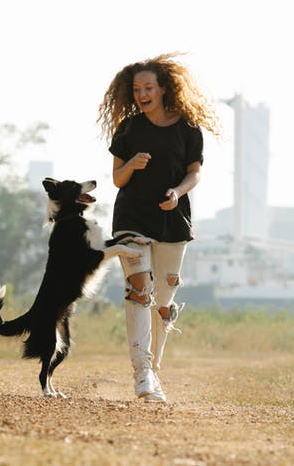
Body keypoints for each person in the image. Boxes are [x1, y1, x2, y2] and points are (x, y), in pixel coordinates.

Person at [97, 53, 220, 402]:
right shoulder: (129, 129)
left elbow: (194, 172)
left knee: (162, 303)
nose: (141, 94)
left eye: (148, 87)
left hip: (172, 221)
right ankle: (142, 375)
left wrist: (177, 193)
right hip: (132, 220)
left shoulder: (188, 128)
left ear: (164, 88)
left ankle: (155, 371)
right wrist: (132, 164)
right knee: (139, 292)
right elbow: (118, 179)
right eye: (137, 89)